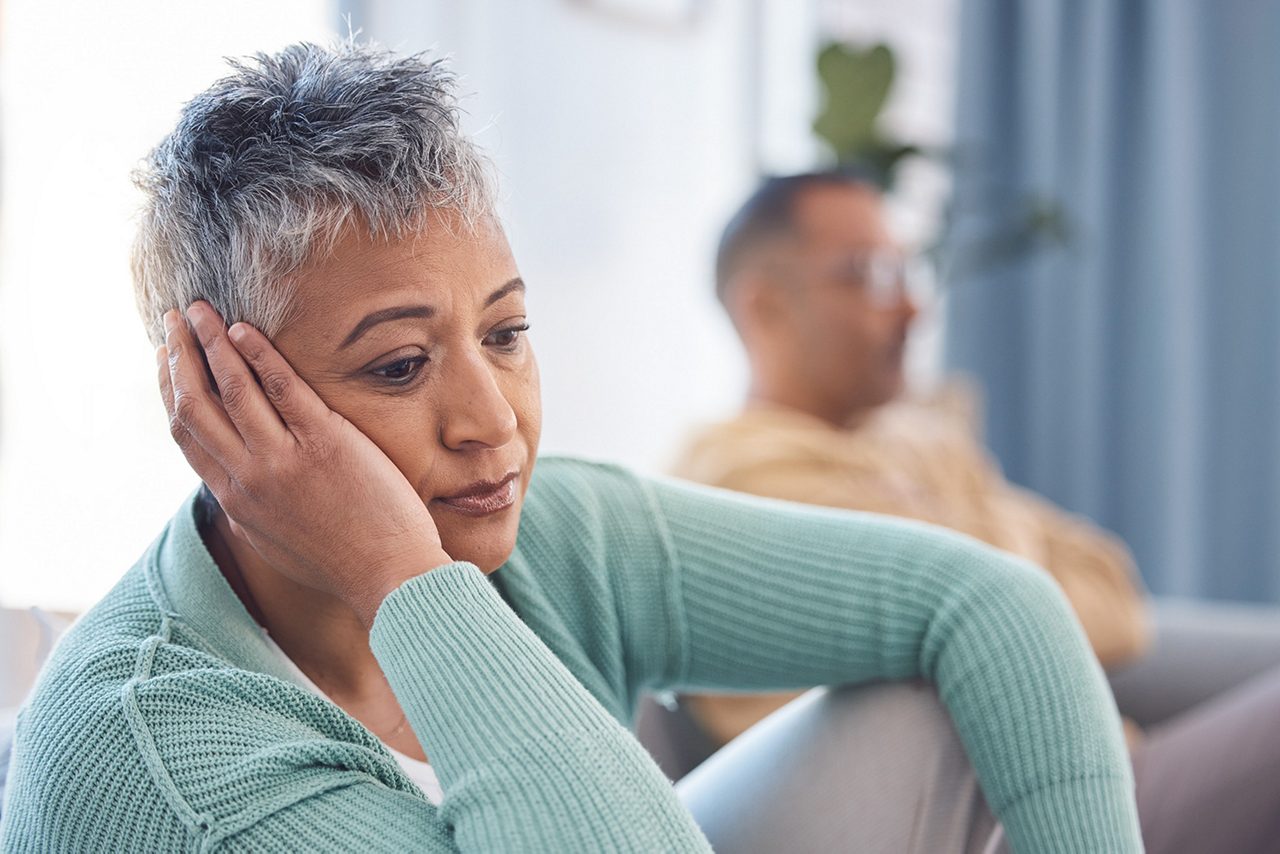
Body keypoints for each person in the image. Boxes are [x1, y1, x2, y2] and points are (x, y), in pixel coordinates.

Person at [0, 45, 1141, 852]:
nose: (491, 420)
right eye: (399, 365)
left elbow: (990, 605)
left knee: (922, 690)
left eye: (505, 333)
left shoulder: (543, 531)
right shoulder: (148, 751)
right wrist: (407, 579)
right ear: (221, 404)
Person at [670, 171, 1280, 852]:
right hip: (1036, 810)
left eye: (907, 272)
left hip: (1093, 758)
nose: (912, 310)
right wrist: (995, 541)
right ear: (767, 309)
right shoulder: (745, 481)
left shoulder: (903, 438)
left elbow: (1113, 589)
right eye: (870, 275)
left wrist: (971, 543)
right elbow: (998, 639)